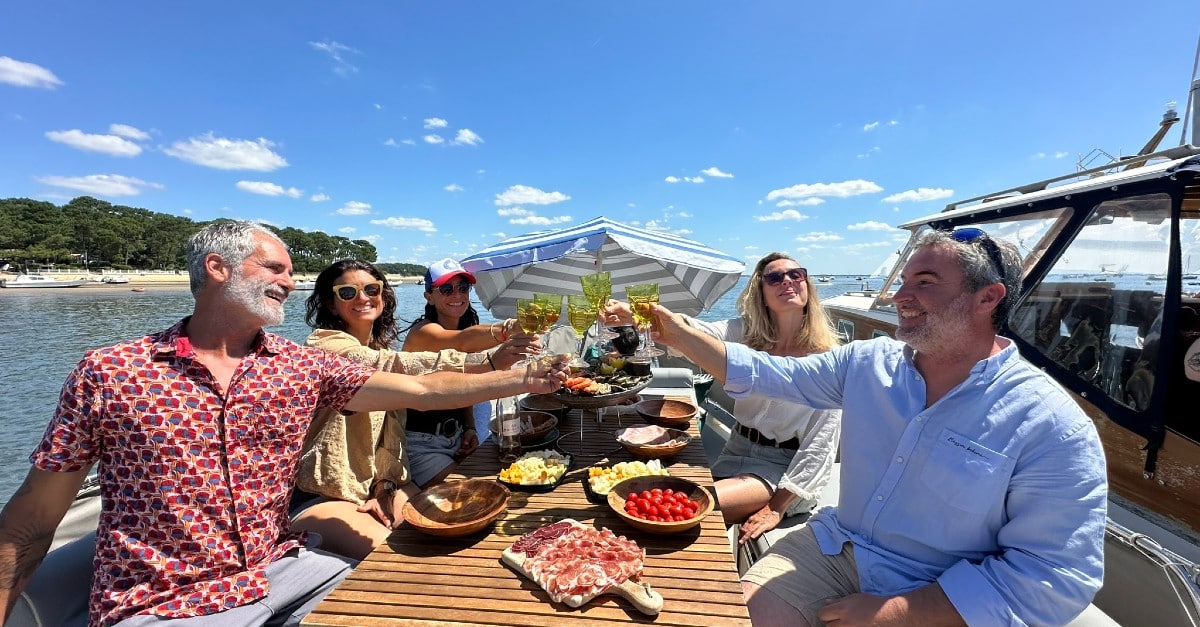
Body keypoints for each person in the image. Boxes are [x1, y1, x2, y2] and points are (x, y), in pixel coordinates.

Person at [0, 222, 568, 627]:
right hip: (164, 606)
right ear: (217, 269)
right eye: (274, 267)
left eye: (293, 272)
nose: (288, 281)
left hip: (285, 569)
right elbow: (32, 520)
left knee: (424, 596)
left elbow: (420, 385)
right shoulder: (111, 372)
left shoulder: (299, 368)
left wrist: (526, 379)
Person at [645, 228, 1107, 626]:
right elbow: (773, 373)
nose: (899, 296)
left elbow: (1057, 574)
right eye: (904, 280)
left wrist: (901, 612)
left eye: (924, 283)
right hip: (834, 546)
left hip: (937, 585)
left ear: (988, 297)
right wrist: (677, 334)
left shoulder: (1051, 423)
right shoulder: (868, 363)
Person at [291, 259, 536, 559]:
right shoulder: (325, 347)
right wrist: (495, 362)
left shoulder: (379, 349)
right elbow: (405, 371)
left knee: (451, 527)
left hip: (379, 489)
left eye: (371, 288)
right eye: (347, 292)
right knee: (399, 560)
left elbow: (389, 439)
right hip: (324, 497)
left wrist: (384, 488)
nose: (363, 297)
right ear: (330, 304)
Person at [602, 253, 842, 543]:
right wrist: (638, 313)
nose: (788, 281)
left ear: (807, 284)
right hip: (736, 447)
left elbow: (821, 445)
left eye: (796, 274)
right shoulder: (746, 333)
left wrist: (777, 508)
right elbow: (697, 332)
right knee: (652, 497)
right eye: (775, 277)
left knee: (684, 509)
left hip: (783, 469)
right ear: (762, 293)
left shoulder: (829, 359)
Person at [399, 258, 531, 486]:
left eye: (463, 288)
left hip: (456, 437)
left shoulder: (466, 329)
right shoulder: (422, 333)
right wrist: (508, 328)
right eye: (446, 289)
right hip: (421, 444)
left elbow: (463, 385)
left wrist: (469, 427)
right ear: (429, 296)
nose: (457, 295)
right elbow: (459, 342)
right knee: (473, 491)